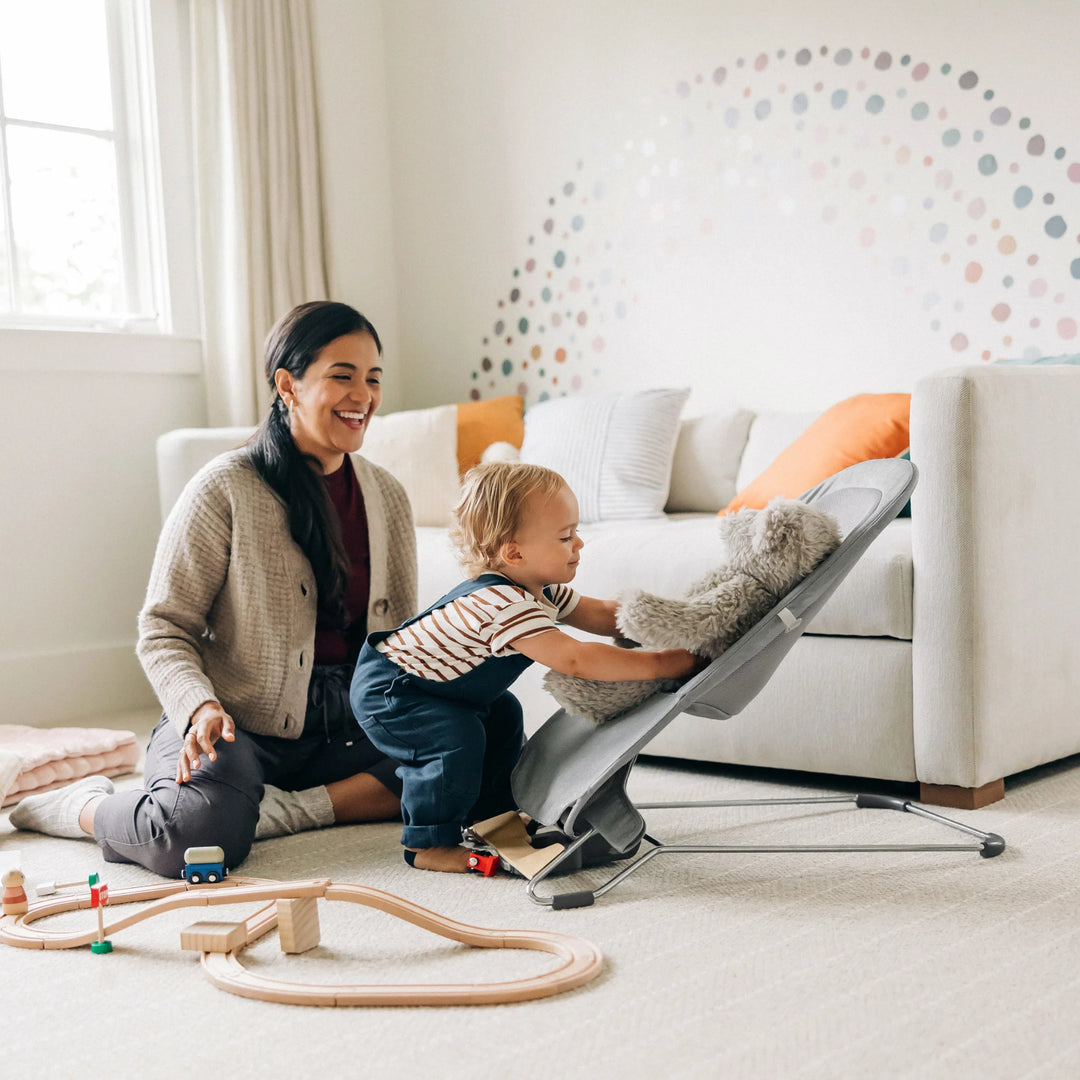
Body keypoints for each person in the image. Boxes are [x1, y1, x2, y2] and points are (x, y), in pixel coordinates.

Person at [11, 301, 416, 877]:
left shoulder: (388, 496)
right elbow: (162, 627)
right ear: (288, 385)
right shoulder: (225, 487)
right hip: (234, 724)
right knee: (194, 838)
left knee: (480, 755)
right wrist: (199, 706)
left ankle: (283, 810)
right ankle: (86, 807)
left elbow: (398, 640)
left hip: (346, 730)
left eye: (373, 379)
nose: (364, 396)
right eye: (342, 376)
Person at [350, 462, 700, 873]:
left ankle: (493, 817)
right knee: (452, 740)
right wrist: (660, 663)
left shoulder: (541, 590)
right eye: (566, 537)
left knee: (504, 713)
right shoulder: (501, 604)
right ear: (514, 553)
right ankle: (427, 844)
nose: (579, 544)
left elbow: (604, 614)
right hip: (395, 691)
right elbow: (575, 658)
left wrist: (675, 623)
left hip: (439, 688)